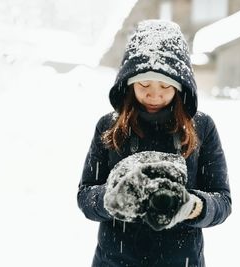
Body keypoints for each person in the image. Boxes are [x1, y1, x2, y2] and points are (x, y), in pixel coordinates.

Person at [77, 19, 231, 267]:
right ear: (128, 82)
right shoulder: (109, 127)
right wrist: (113, 198)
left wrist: (192, 206)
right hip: (115, 261)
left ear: (181, 86)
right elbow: (85, 196)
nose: (154, 94)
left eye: (165, 85)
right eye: (144, 84)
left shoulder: (201, 128)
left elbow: (222, 201)